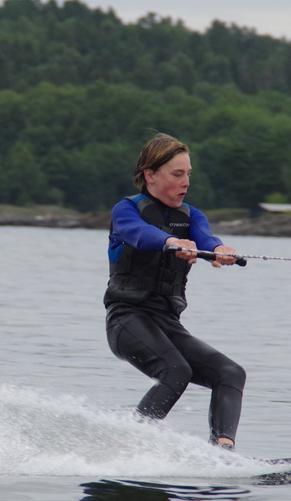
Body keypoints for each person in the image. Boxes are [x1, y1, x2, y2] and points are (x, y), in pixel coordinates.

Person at [105, 133, 246, 450]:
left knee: (230, 373)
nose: (186, 183)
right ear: (150, 175)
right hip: (126, 320)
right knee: (175, 371)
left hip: (167, 323)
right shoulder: (126, 211)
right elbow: (139, 234)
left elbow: (205, 238)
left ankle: (222, 452)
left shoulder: (191, 216)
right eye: (177, 174)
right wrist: (171, 242)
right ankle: (129, 446)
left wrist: (219, 250)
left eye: (188, 174)